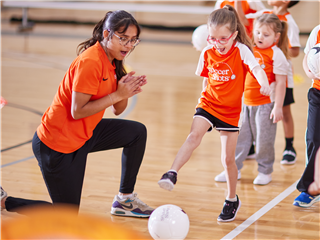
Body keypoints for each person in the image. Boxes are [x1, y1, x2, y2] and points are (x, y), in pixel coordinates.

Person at [0, 10, 154, 218]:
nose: (128, 45)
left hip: (84, 135)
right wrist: (117, 94)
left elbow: (118, 110)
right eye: (123, 39)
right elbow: (77, 110)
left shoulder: (114, 61)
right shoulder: (90, 61)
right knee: (66, 217)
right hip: (57, 144)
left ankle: (124, 200)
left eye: (133, 40)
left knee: (136, 132)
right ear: (107, 34)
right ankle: (4, 201)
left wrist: (123, 91)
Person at [158, 5, 271, 222]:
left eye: (223, 39)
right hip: (208, 104)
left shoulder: (241, 51)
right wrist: (202, 99)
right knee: (193, 136)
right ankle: (171, 173)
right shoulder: (207, 51)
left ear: (234, 35)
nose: (217, 44)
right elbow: (206, 77)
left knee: (227, 159)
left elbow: (256, 69)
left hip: (229, 112)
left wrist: (264, 84)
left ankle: (231, 199)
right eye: (212, 38)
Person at [215, 14, 289, 185]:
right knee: (239, 138)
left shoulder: (276, 55)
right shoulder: (248, 50)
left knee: (264, 140)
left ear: (276, 37)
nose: (260, 37)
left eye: (266, 34)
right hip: (244, 104)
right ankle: (235, 168)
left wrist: (278, 106)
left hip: (265, 105)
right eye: (257, 33)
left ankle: (265, 170)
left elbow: (280, 84)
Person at [235, 0, 301, 165]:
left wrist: (276, 48)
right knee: (253, 112)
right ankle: (251, 146)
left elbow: (295, 51)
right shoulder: (263, 14)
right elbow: (242, 19)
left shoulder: (288, 22)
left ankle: (289, 147)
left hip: (279, 74)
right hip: (261, 75)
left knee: (284, 110)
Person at [293, 24, 320, 207]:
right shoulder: (318, 30)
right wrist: (309, 70)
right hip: (317, 93)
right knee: (313, 139)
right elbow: (307, 56)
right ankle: (309, 187)